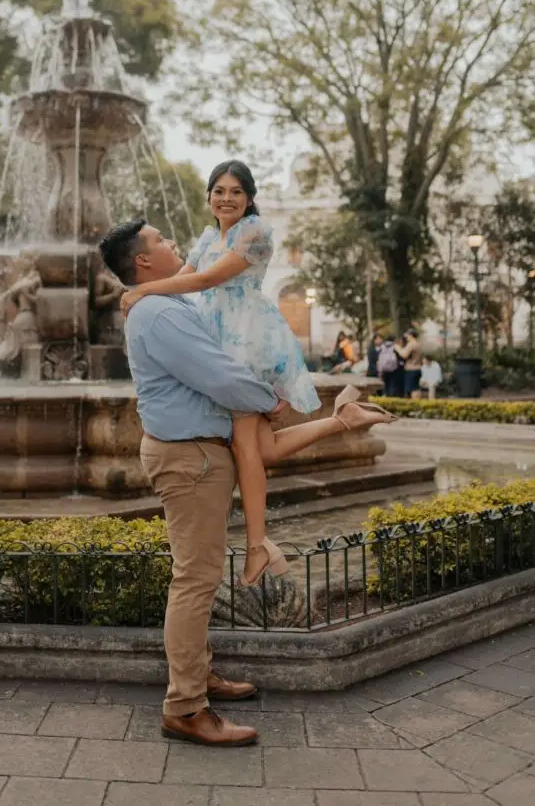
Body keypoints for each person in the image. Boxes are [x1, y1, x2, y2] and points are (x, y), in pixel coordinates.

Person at [99, 217, 393, 748]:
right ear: (142, 261)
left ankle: (198, 675)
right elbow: (218, 374)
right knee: (194, 578)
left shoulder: (163, 302)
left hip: (197, 455)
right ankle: (186, 706)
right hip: (189, 459)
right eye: (161, 241)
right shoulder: (159, 313)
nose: (171, 242)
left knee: (200, 575)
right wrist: (269, 401)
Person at [116, 159, 394, 588]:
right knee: (259, 448)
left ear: (249, 198)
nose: (226, 198)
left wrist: (142, 289)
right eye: (219, 191)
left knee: (247, 445)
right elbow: (186, 276)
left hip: (245, 336)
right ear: (209, 196)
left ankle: (257, 545)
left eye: (236, 192)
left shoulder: (256, 233)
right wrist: (148, 292)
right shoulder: (210, 235)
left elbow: (205, 280)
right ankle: (343, 419)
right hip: (216, 336)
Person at [396, 327, 423, 399]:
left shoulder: (411, 344)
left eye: (407, 335)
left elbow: (404, 355)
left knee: (413, 389)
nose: (406, 337)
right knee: (416, 387)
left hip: (411, 369)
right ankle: (417, 406)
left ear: (411, 335)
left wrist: (397, 348)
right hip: (418, 368)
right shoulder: (418, 344)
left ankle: (415, 406)